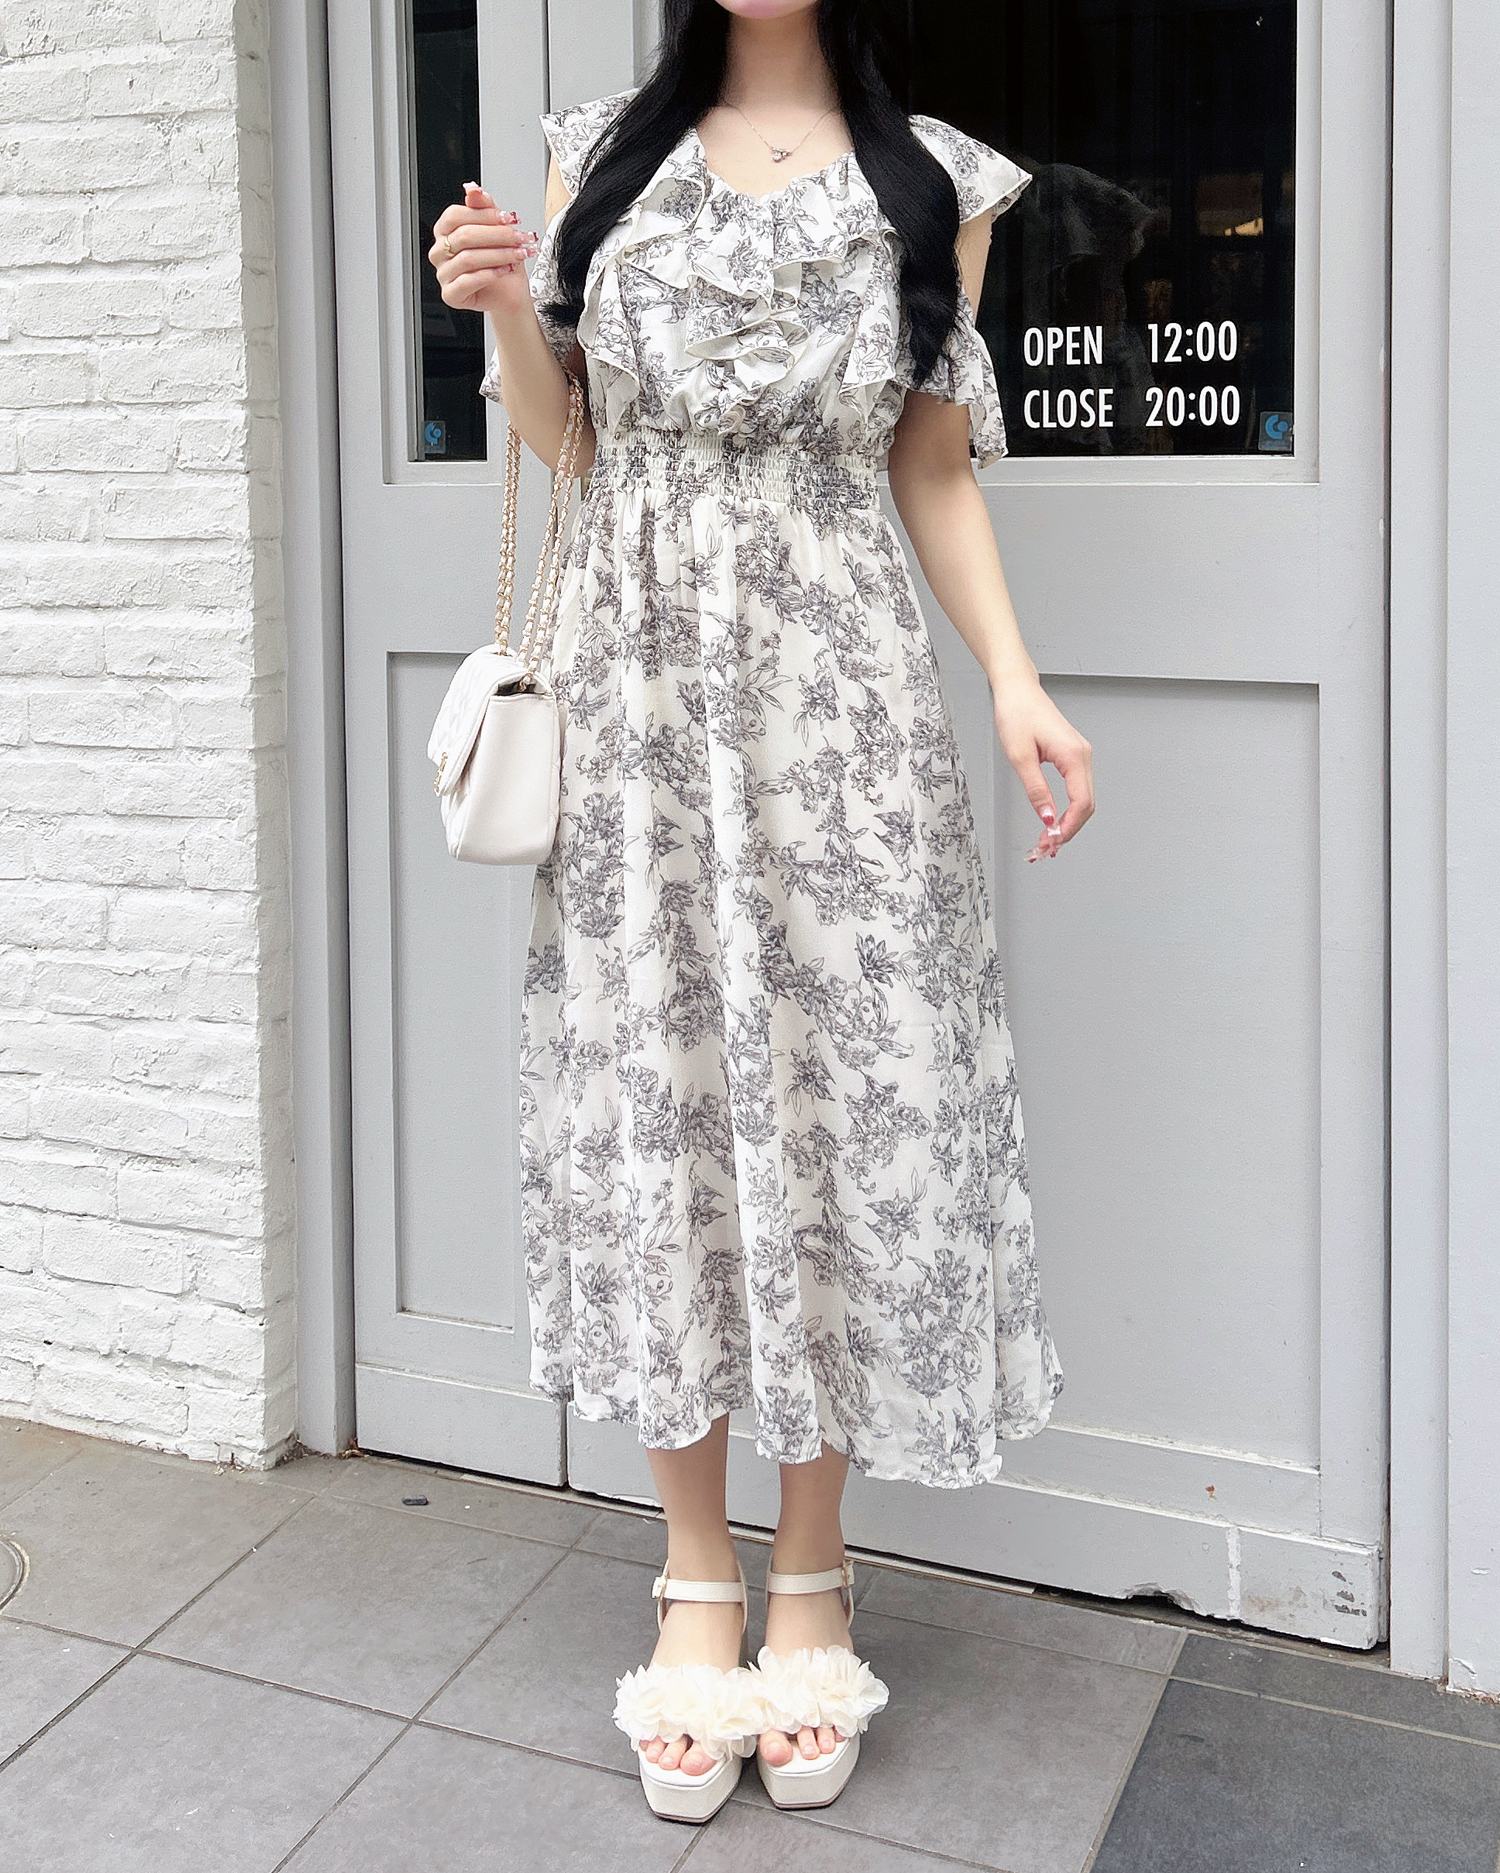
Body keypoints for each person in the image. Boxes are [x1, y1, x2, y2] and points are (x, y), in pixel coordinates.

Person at [427, 0, 1091, 1826]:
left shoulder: (935, 182)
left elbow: (930, 466)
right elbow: (572, 446)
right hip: (638, 708)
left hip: (842, 708)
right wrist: (505, 306)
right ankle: (691, 1573)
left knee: (839, 1115)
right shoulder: (598, 152)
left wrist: (1015, 679)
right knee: (668, 1110)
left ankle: (812, 1569)